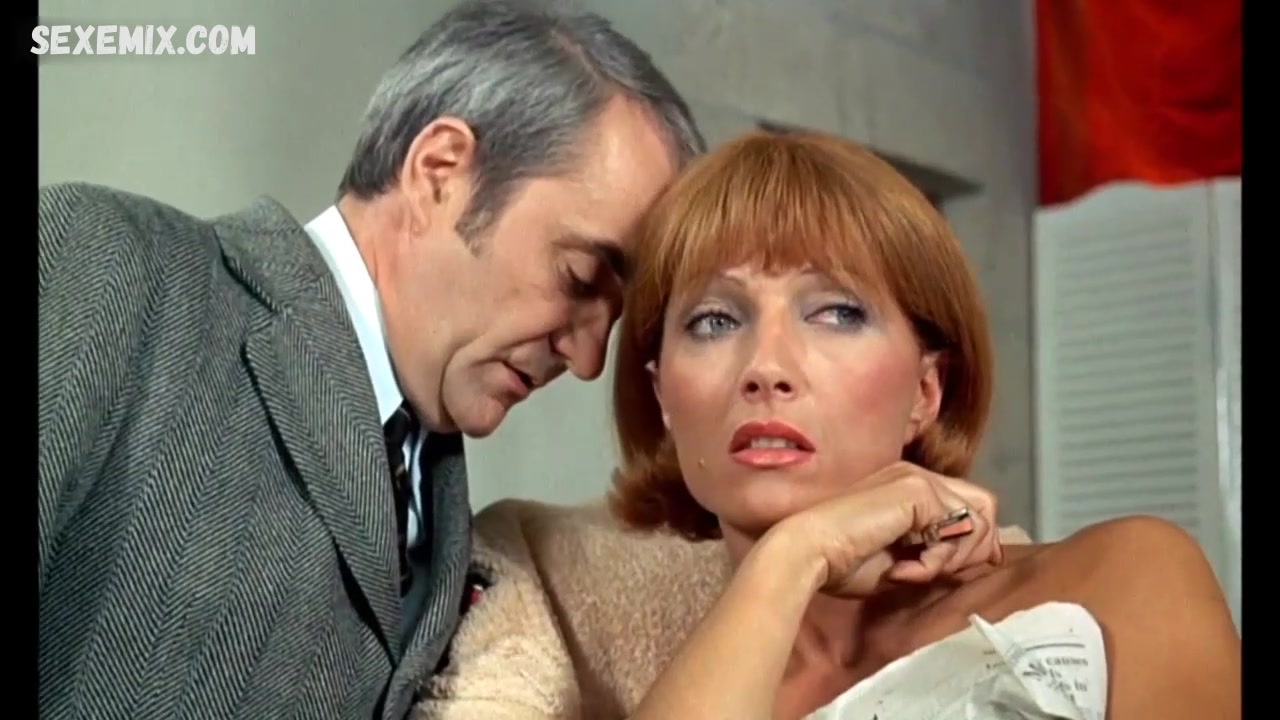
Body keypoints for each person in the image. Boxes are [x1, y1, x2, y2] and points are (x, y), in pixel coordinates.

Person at [412, 130, 1242, 719]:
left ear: (926, 390)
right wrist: (796, 557)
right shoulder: (699, 687)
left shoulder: (1125, 575)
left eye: (837, 312)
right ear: (662, 395)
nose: (766, 366)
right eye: (714, 321)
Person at [36, 2, 704, 718]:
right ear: (439, 172)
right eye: (579, 276)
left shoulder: (449, 515)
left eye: (616, 316)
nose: (588, 359)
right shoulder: (106, 265)